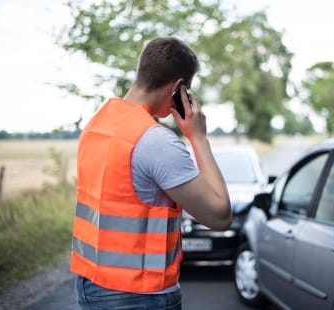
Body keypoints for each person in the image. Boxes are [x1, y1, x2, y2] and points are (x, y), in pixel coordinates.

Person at [70, 37, 232, 310]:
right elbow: (220, 216)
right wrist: (199, 139)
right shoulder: (156, 142)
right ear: (178, 87)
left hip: (90, 283)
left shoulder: (97, 125)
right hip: (138, 295)